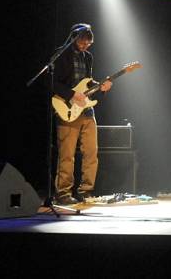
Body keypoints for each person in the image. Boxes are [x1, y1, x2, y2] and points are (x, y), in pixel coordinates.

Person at [52, 23, 112, 205]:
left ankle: (86, 191)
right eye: (83, 42)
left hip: (86, 110)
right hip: (67, 108)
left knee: (91, 152)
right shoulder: (61, 55)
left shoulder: (88, 57)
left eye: (89, 43)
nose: (86, 45)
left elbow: (87, 82)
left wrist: (102, 87)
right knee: (67, 154)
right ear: (74, 37)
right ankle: (63, 193)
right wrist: (71, 95)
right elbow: (53, 82)